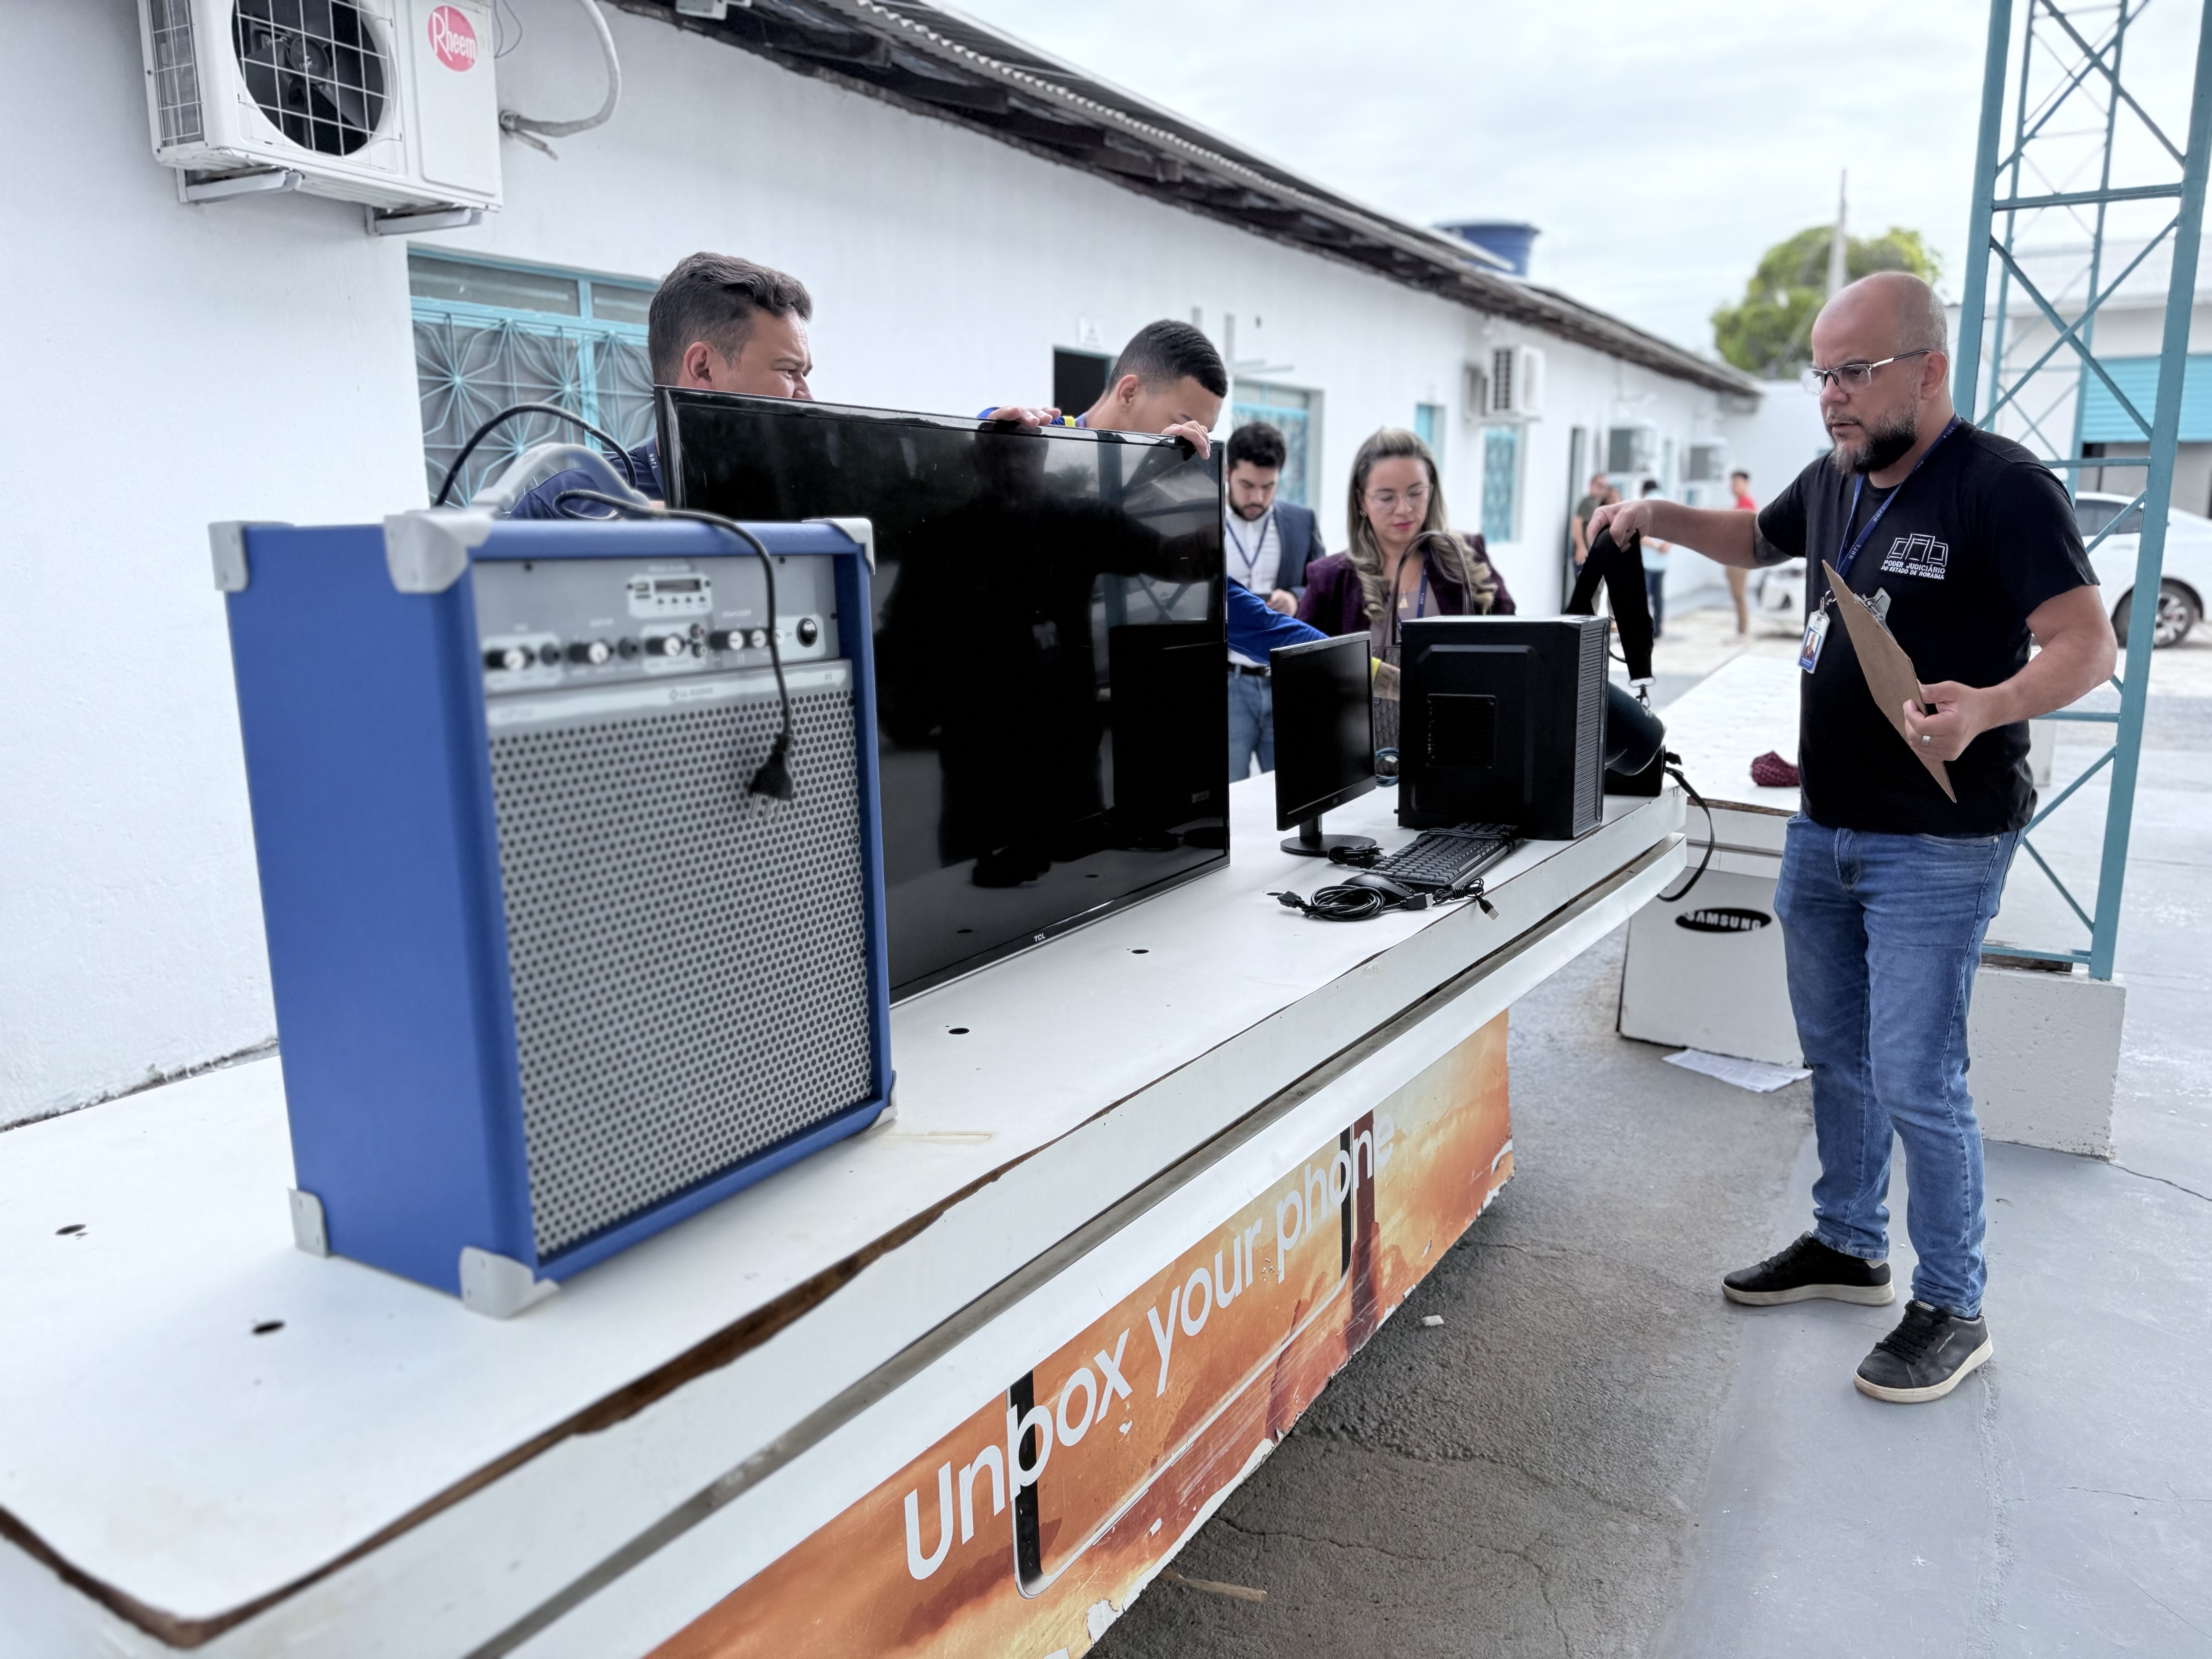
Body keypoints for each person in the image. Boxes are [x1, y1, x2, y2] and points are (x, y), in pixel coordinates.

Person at [1590, 272, 2114, 1405]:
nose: (1828, 397)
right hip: (1823, 825)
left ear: (1925, 370)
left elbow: (2084, 645)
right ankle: (1847, 1243)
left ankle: (1952, 1306)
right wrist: (1649, 520)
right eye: (1820, 374)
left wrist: (1984, 705)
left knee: (1916, 1074)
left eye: (1852, 372)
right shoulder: (1836, 480)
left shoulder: (2001, 489)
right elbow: (1753, 537)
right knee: (1830, 1050)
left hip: (1937, 840)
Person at [985, 321, 1321, 672]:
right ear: (1129, 392)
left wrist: (1359, 666)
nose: (1191, 439)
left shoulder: (1140, 499)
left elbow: (1241, 613)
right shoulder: (1032, 444)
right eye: (1185, 421)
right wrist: (994, 438)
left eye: (1204, 433)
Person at [509, 252, 813, 519]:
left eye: (805, 375)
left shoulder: (814, 499)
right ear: (703, 368)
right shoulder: (566, 508)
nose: (808, 399)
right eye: (789, 371)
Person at [1222, 420, 1329, 777]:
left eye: (1269, 487)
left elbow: (1321, 585)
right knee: (1229, 792)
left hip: (1285, 681)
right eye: (1247, 486)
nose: (1258, 498)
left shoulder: (1301, 520)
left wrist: (1296, 599)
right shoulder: (1201, 520)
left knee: (1291, 787)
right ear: (1227, 472)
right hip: (1228, 683)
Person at [1724, 469, 1757, 633]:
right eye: (1732, 482)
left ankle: (1743, 631)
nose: (1733, 486)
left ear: (1745, 484)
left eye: (1737, 482)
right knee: (1737, 595)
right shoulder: (1739, 504)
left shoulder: (1746, 505)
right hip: (1734, 557)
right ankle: (1741, 630)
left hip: (1740, 558)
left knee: (1739, 595)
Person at [1638, 478, 1671, 639]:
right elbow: (1676, 532)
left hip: (1647, 561)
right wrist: (1666, 546)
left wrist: (1656, 546)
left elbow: (1638, 534)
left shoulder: (1644, 504)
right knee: (1658, 597)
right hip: (1662, 562)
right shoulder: (1668, 504)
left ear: (1644, 490)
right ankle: (1658, 629)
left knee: (1643, 598)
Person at [1570, 471, 1607, 569]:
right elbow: (1576, 523)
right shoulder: (1588, 503)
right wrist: (1581, 548)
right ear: (1592, 485)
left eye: (1604, 487)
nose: (1601, 489)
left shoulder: (1595, 504)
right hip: (1584, 556)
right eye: (1599, 485)